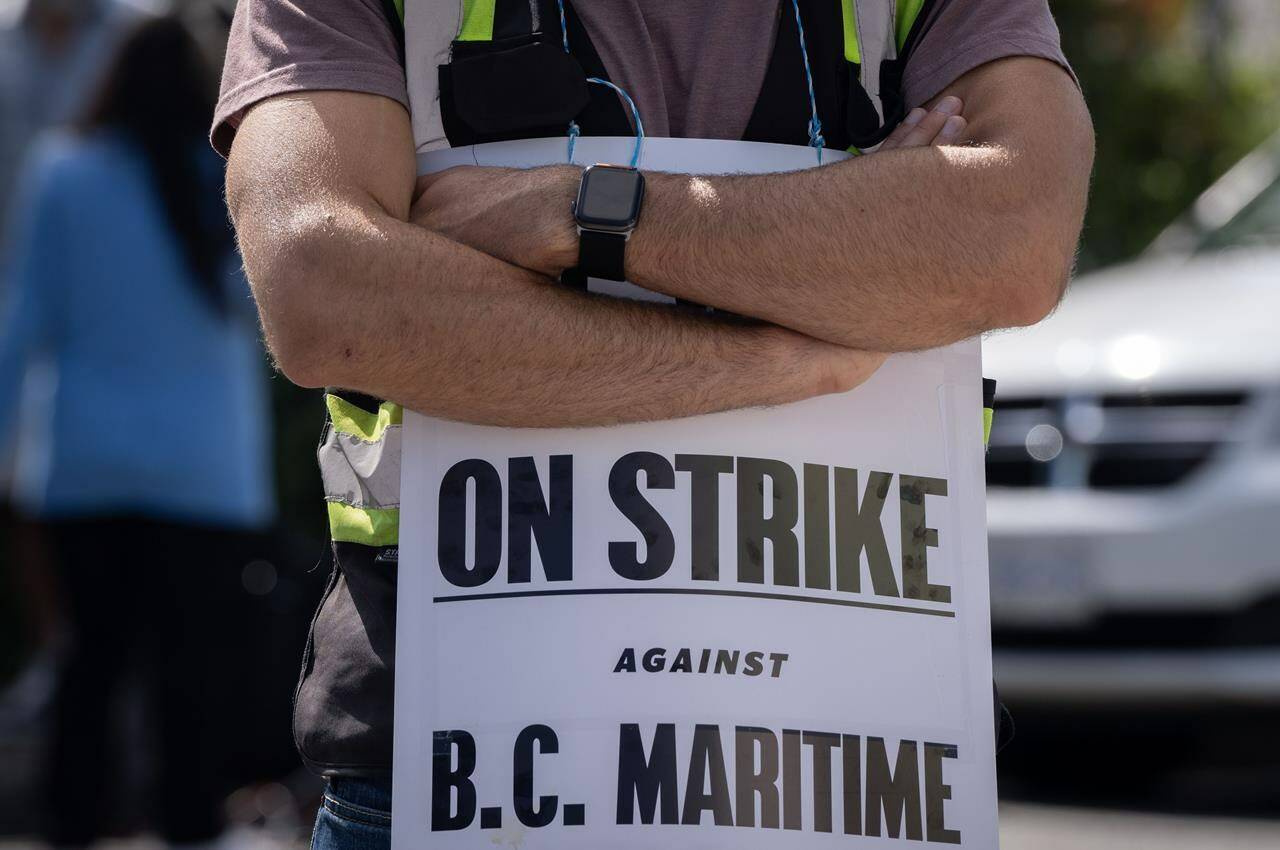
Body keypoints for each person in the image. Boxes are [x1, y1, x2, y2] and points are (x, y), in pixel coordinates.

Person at [214, 0, 1093, 846]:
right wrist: (775, 355)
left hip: (844, 771)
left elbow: (1014, 240)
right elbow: (327, 293)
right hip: (456, 774)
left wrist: (575, 211)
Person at [0, 12, 275, 847]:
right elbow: (264, 314)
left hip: (86, 469)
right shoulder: (225, 182)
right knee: (189, 678)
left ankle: (69, 828)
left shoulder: (63, 173)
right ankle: (191, 827)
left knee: (89, 667)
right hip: (205, 475)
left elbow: (23, 322)